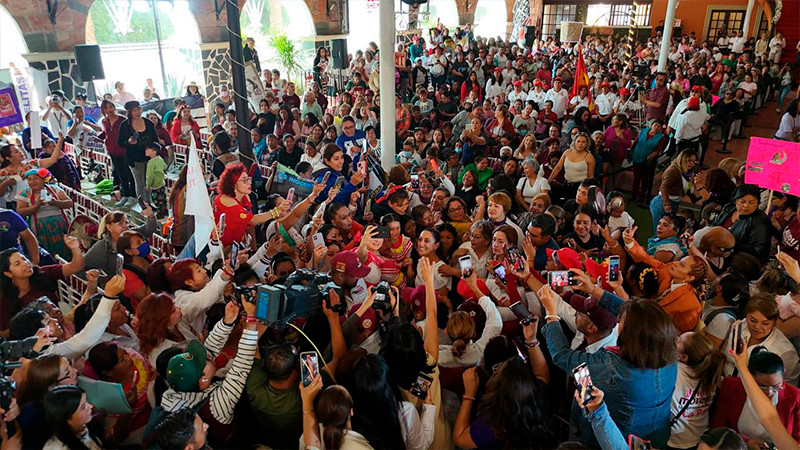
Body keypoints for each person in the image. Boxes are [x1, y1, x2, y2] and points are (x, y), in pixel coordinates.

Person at [535, 279, 677, 448]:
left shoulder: (611, 367)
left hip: (620, 437)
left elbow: (562, 356)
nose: (618, 320)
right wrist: (594, 290)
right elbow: (630, 313)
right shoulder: (667, 351)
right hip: (657, 434)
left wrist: (551, 313)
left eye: (622, 321)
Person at [711, 347, 800, 446]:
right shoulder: (730, 386)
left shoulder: (794, 396)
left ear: (783, 373)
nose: (769, 392)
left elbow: (797, 439)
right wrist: (745, 443)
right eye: (761, 386)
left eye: (775, 387)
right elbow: (718, 427)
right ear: (749, 376)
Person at [0, 236, 84, 332]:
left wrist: (75, 249)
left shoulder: (42, 273)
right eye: (17, 263)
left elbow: (75, 267)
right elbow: (4, 332)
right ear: (8, 274)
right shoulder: (5, 298)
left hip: (62, 327)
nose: (25, 263)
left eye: (24, 259)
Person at [15, 168, 74, 260]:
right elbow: (20, 211)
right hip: (40, 227)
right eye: (29, 179)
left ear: (43, 179)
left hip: (59, 225)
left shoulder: (54, 189)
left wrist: (56, 203)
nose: (32, 182)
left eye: (35, 178)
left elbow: (70, 203)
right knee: (46, 250)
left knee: (65, 247)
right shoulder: (25, 193)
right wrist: (36, 206)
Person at [713, 184, 773, 262]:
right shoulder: (729, 208)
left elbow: (758, 250)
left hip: (740, 261)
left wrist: (730, 246)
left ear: (758, 203)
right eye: (742, 201)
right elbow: (715, 225)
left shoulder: (761, 221)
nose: (746, 205)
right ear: (736, 200)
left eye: (751, 202)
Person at [117, 100, 158, 201]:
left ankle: (150, 202)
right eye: (134, 110)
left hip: (149, 156)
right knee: (140, 183)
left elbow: (155, 139)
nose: (137, 112)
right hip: (135, 158)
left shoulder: (148, 123)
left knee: (149, 181)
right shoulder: (125, 125)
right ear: (129, 112)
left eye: (138, 109)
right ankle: (143, 204)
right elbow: (120, 142)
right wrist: (128, 142)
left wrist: (154, 150)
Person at [42, 385, 102, 449]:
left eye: (87, 402)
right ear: (66, 418)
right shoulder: (57, 447)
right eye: (83, 407)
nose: (91, 406)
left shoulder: (82, 429)